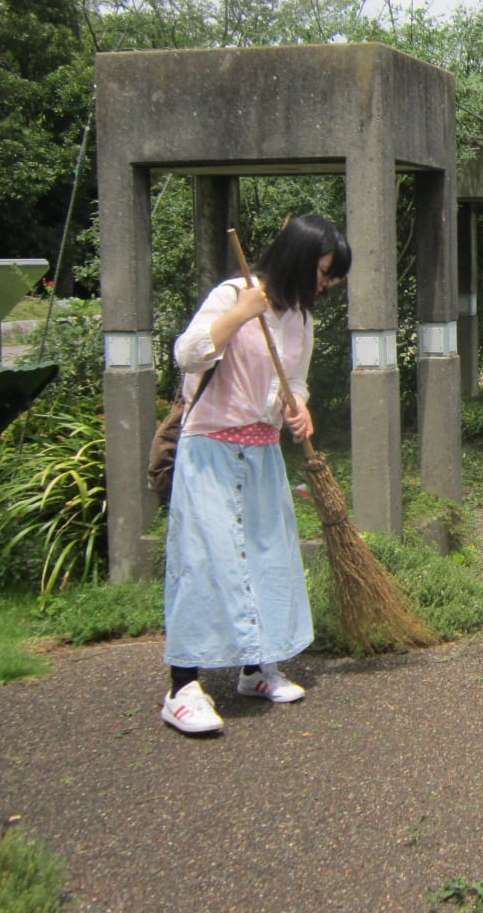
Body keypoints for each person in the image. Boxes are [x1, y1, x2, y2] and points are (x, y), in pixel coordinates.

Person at [159, 213, 352, 735]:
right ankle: (182, 688)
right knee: (204, 560)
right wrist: (239, 314)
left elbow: (296, 380)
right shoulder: (233, 295)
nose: (327, 283)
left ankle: (254, 668)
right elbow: (188, 353)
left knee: (267, 555)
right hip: (211, 451)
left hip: (263, 453)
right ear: (298, 258)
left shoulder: (301, 319)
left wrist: (301, 407)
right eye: (325, 271)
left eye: (332, 275)